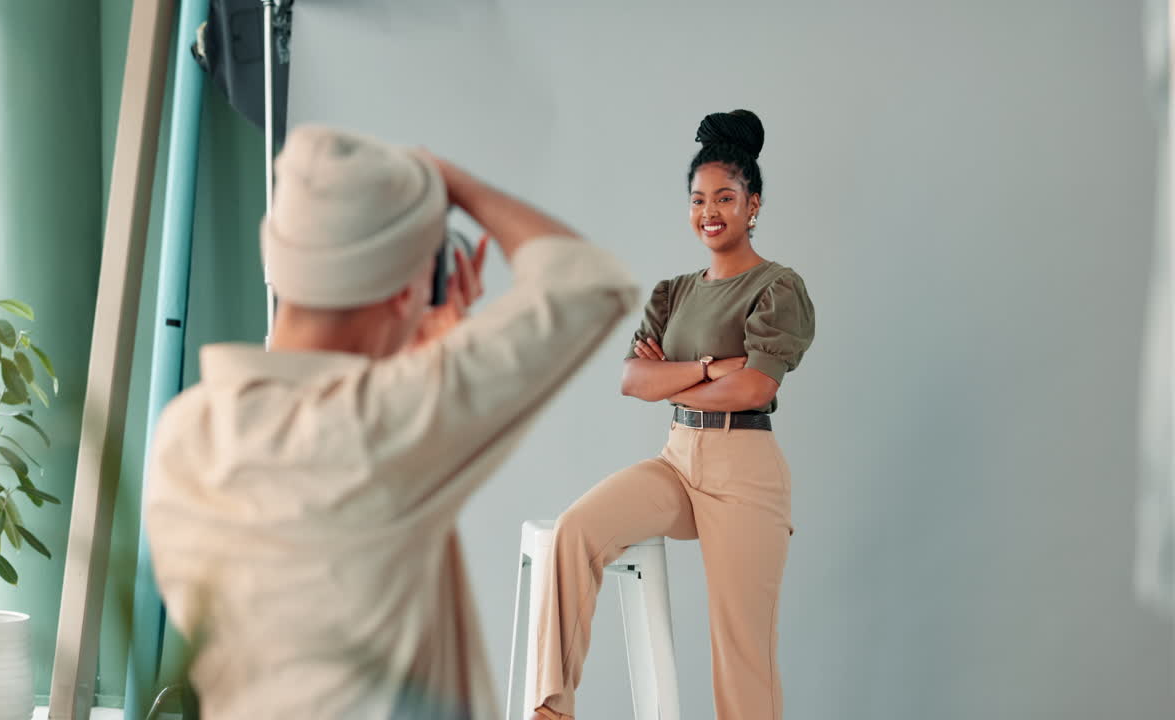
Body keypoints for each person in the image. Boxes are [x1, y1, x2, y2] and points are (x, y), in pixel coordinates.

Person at [144, 125, 639, 719]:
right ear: (409, 290)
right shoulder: (380, 430)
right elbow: (589, 283)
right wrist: (454, 183)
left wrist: (416, 358)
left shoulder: (183, 432)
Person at [529, 110, 816, 720]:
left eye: (725, 197)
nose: (709, 211)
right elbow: (633, 379)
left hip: (745, 474)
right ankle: (550, 711)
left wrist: (675, 379)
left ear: (753, 204)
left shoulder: (776, 287)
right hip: (678, 461)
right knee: (576, 531)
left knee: (742, 655)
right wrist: (710, 369)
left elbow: (755, 385)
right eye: (697, 199)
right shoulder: (674, 292)